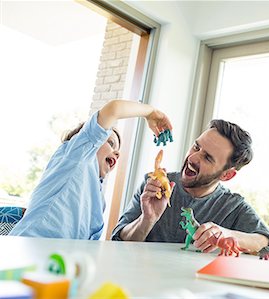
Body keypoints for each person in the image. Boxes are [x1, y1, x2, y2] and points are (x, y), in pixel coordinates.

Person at [112, 119, 269, 255]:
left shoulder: (233, 207)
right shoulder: (153, 186)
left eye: (207, 158)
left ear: (226, 175)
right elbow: (117, 243)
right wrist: (146, 220)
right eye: (196, 146)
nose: (193, 157)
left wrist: (229, 235)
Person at [9, 100, 172, 240]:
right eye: (110, 143)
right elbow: (113, 109)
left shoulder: (98, 199)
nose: (117, 152)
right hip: (29, 247)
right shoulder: (76, 155)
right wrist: (151, 112)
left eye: (117, 149)